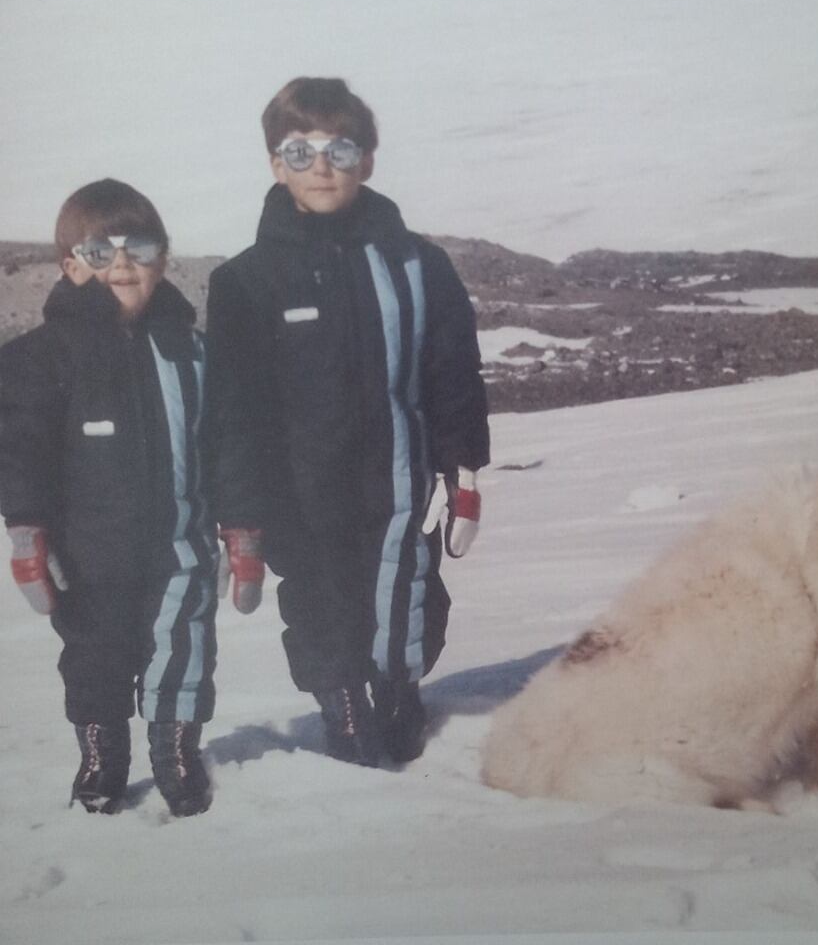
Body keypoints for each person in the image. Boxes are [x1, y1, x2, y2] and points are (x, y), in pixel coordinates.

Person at [204, 77, 490, 768]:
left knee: (405, 587)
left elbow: (453, 372)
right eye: (299, 151)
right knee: (324, 603)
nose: (322, 165)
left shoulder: (419, 264)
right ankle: (345, 704)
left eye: (340, 147)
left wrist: (464, 472)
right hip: (299, 490)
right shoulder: (246, 282)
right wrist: (239, 514)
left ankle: (398, 688)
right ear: (276, 164)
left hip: (398, 478)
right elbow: (232, 410)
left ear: (368, 158)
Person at [0, 180, 218, 816]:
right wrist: (26, 533)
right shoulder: (40, 358)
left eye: (139, 246)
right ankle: (102, 752)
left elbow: (228, 441)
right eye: (100, 251)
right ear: (71, 266)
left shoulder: (192, 352)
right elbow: (18, 453)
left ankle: (176, 748)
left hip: (181, 544)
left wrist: (243, 525)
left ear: (163, 259)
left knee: (184, 648)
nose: (121, 263)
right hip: (87, 555)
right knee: (94, 657)